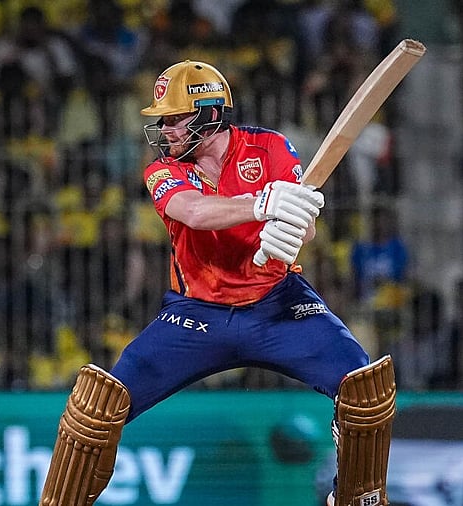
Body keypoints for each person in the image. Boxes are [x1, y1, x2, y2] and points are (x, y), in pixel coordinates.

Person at [38, 60, 396, 506]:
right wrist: (261, 204)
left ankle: (357, 499)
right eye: (162, 120)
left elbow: (305, 229)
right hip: (197, 316)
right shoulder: (162, 170)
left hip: (278, 304)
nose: (166, 130)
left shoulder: (268, 147)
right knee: (96, 407)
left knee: (365, 390)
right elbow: (195, 212)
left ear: (209, 113)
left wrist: (292, 228)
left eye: (174, 119)